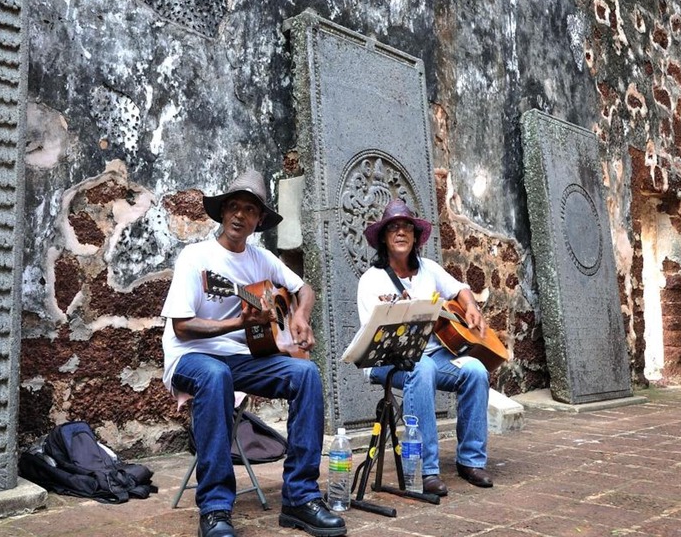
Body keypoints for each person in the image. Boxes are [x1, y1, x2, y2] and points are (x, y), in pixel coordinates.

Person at [162, 170, 346, 537]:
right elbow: (182, 327)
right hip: (191, 357)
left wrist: (300, 316)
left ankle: (300, 498)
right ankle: (215, 508)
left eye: (249, 210)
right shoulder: (196, 258)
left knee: (306, 374)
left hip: (242, 358)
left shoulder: (262, 259)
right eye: (233, 206)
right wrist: (238, 323)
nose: (239, 215)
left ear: (259, 221)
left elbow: (305, 289)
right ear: (222, 212)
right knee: (216, 374)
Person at [356, 199, 494, 495]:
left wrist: (471, 307)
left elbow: (460, 289)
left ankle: (470, 461)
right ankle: (425, 468)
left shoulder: (429, 269)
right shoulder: (371, 280)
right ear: (384, 238)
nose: (401, 232)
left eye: (407, 227)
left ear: (415, 236)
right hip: (386, 360)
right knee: (423, 368)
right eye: (393, 228)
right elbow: (375, 337)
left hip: (432, 354)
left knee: (475, 370)